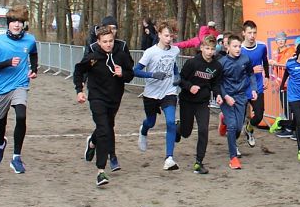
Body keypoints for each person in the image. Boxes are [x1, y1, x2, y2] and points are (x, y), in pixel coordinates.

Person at [75, 24, 135, 187]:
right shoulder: (93, 57)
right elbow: (78, 71)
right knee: (104, 131)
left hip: (114, 98)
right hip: (97, 98)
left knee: (107, 126)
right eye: (105, 42)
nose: (108, 44)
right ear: (99, 42)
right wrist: (79, 90)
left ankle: (92, 142)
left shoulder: (121, 55)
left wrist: (122, 74)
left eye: (111, 41)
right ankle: (100, 171)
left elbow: (130, 74)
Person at [0, 5, 37, 174]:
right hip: (0, 87)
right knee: (1, 122)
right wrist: (7, 63)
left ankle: (16, 157)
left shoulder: (30, 40)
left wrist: (34, 69)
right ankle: (1, 143)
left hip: (20, 84)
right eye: (14, 21)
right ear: (8, 23)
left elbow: (33, 53)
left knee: (21, 116)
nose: (17, 25)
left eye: (20, 22)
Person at [133, 21, 182, 170]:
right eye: (166, 35)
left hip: (169, 92)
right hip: (151, 93)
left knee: (171, 122)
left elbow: (173, 65)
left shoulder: (175, 50)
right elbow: (136, 71)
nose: (169, 39)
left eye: (171, 36)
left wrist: (177, 75)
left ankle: (169, 158)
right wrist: (152, 74)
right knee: (151, 122)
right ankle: (143, 130)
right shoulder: (150, 52)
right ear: (159, 34)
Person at [178, 35, 224, 174]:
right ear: (202, 48)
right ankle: (178, 129)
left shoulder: (217, 66)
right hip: (187, 101)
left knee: (203, 130)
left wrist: (218, 95)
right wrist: (190, 87)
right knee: (186, 132)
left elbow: (215, 84)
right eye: (207, 48)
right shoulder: (192, 63)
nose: (210, 52)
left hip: (203, 103)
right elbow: (180, 79)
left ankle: (199, 162)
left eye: (212, 49)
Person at [218, 33, 256, 170]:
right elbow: (217, 82)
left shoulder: (245, 59)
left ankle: (224, 121)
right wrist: (225, 96)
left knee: (238, 127)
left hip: (241, 96)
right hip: (227, 97)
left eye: (239, 46)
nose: (238, 49)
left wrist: (253, 89)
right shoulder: (221, 62)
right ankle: (233, 158)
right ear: (227, 47)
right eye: (235, 46)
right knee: (233, 126)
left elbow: (251, 74)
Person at [240, 20, 270, 144]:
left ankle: (249, 129)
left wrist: (267, 77)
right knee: (239, 120)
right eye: (249, 33)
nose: (252, 36)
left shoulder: (262, 46)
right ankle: (234, 147)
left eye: (254, 32)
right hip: (241, 87)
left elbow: (265, 61)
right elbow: (235, 70)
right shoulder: (238, 49)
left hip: (256, 86)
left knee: (259, 116)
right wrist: (252, 70)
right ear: (243, 33)